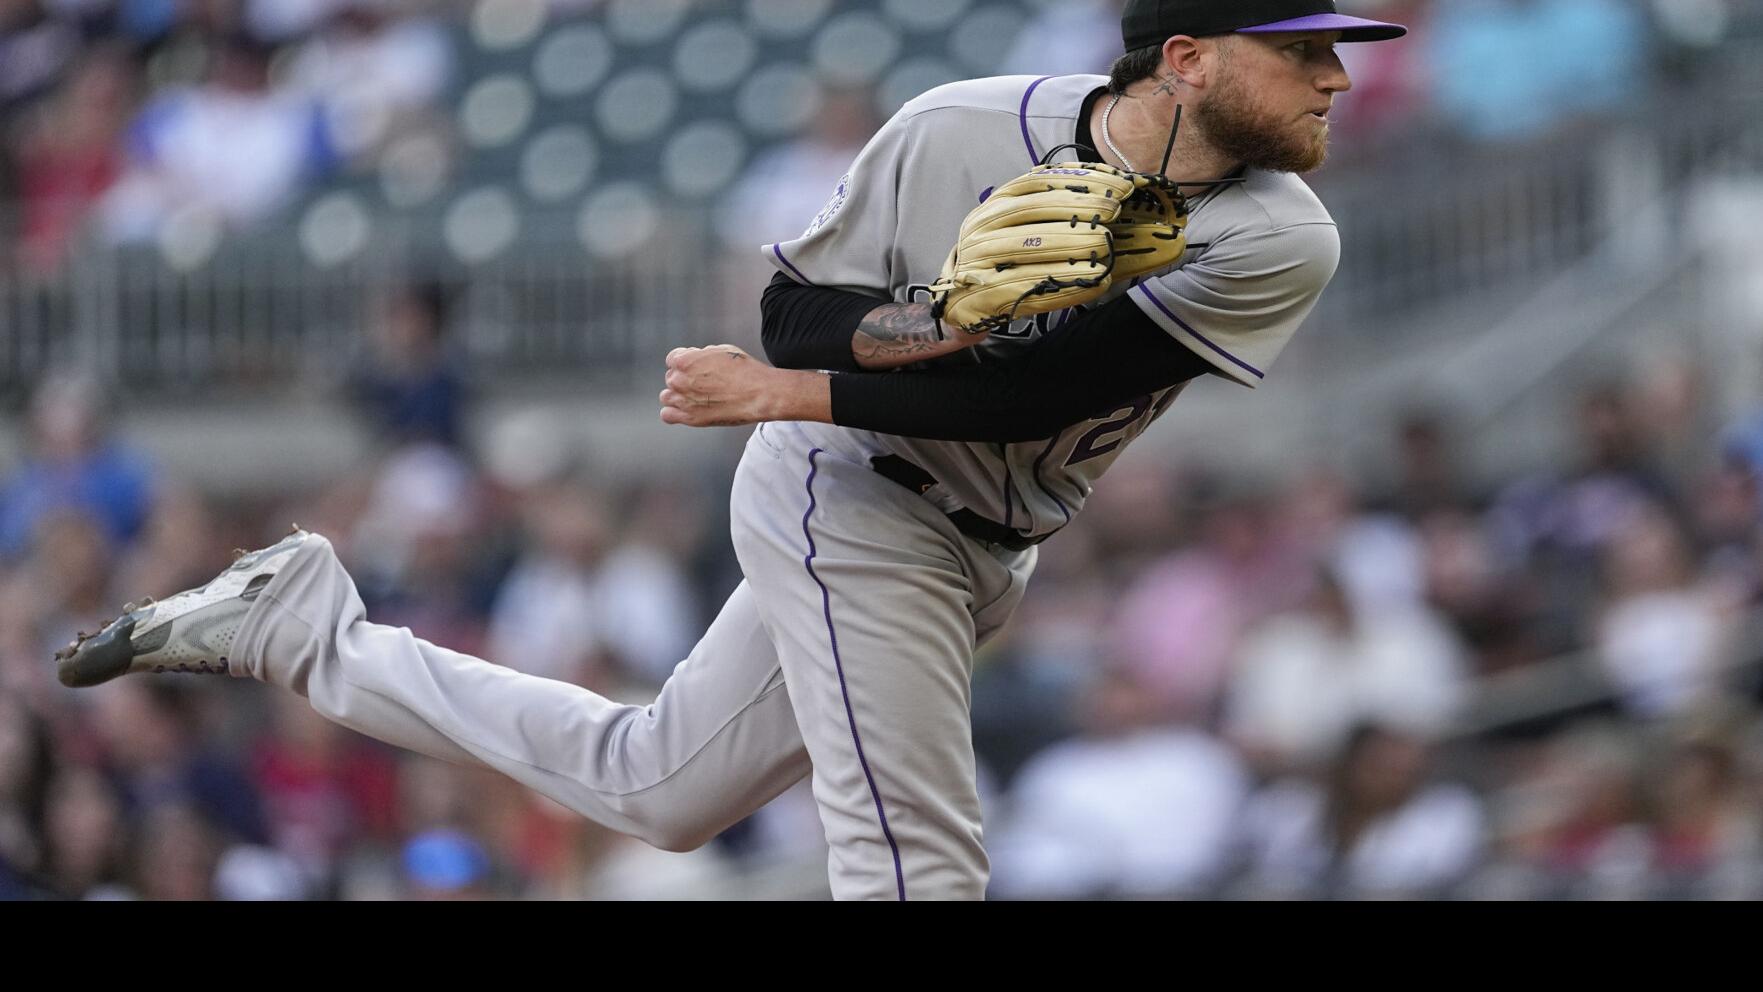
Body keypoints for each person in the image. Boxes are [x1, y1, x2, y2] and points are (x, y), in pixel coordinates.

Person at [56, 0, 1407, 901]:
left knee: (659, 785)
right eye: (1302, 49)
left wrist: (801, 384)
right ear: (1186, 58)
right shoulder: (958, 127)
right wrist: (890, 332)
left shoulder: (1282, 230)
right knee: (916, 869)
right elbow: (797, 305)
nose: (1337, 75)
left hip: (979, 520)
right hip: (858, 499)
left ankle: (311, 635)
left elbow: (1033, 390)